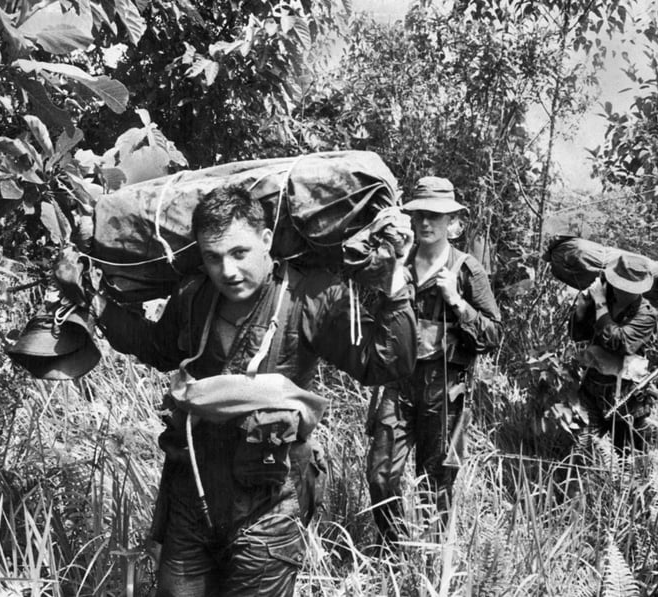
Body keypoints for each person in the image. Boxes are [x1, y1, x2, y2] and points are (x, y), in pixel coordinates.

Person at [88, 185, 416, 596]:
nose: (227, 270)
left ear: (265, 242)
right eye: (213, 256)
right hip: (193, 493)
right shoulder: (194, 296)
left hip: (270, 502)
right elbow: (158, 348)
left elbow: (385, 362)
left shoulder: (308, 296)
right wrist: (94, 303)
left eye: (239, 253)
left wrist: (395, 279)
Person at [365, 176, 501, 544]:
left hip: (444, 390)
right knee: (380, 475)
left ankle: (428, 563)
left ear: (453, 224)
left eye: (436, 216)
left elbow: (492, 335)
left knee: (435, 485)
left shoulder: (467, 268)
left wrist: (456, 300)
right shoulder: (397, 263)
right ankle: (395, 551)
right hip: (397, 384)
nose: (426, 223)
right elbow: (369, 318)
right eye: (420, 214)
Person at [569, 254, 658, 450]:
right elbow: (578, 335)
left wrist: (600, 303)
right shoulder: (602, 296)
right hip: (592, 385)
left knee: (628, 457)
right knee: (582, 448)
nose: (622, 291)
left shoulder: (646, 314)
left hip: (628, 395)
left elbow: (619, 342)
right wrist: (582, 308)